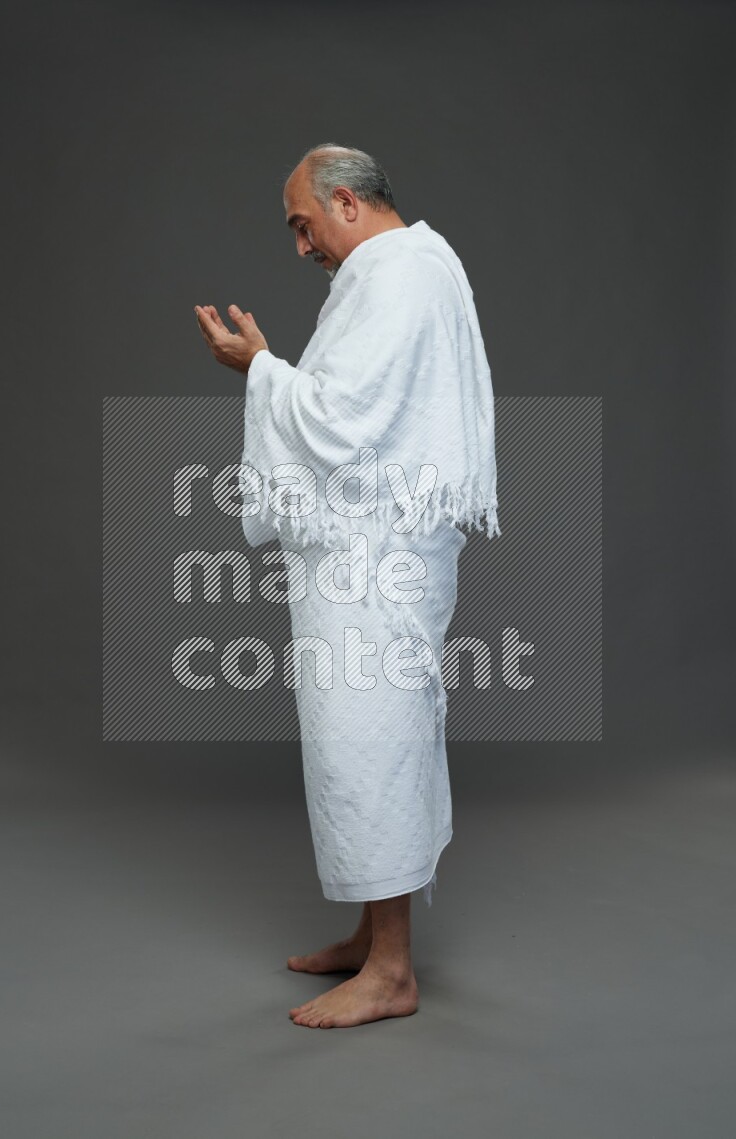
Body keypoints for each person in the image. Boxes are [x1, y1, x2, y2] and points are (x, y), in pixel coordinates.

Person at [195, 143, 500, 1029]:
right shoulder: (411, 266)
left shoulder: (399, 277)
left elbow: (341, 419)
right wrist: (272, 369)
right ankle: (374, 935)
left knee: (373, 737)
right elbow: (355, 410)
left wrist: (256, 366)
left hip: (376, 560)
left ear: (346, 204)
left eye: (304, 225)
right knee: (362, 737)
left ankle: (393, 972)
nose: (302, 247)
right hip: (373, 549)